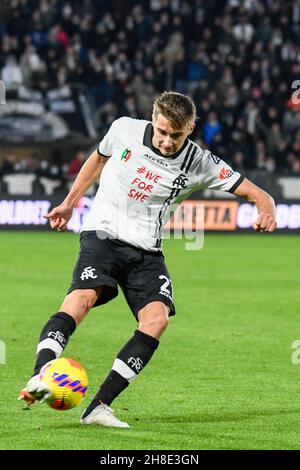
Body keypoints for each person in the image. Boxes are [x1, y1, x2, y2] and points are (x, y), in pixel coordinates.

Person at [19, 91, 276, 428]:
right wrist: (70, 202)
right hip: (103, 233)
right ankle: (41, 376)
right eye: (163, 132)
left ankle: (98, 407)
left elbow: (258, 193)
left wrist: (266, 209)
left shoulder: (200, 163)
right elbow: (97, 159)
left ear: (191, 129)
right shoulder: (123, 129)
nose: (168, 141)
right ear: (153, 119)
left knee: (157, 320)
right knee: (81, 299)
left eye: (177, 135)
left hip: (146, 249)